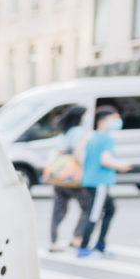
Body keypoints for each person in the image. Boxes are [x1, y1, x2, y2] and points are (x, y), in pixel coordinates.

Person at [75, 105, 131, 258]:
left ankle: (100, 244)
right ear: (102, 121)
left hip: (91, 179)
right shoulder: (106, 139)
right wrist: (121, 165)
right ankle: (84, 247)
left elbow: (79, 155)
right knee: (94, 214)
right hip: (99, 182)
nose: (117, 122)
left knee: (110, 210)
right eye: (114, 118)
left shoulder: (90, 137)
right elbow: (105, 160)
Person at [47, 106, 90, 252]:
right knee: (87, 207)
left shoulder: (64, 132)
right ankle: (76, 238)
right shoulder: (78, 131)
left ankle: (53, 242)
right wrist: (85, 171)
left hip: (59, 175)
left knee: (58, 209)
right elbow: (79, 152)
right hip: (73, 177)